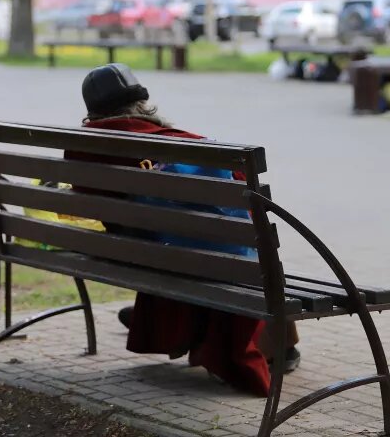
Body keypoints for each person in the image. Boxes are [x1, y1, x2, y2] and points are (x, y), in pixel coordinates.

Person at [68, 63, 300, 397]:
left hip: (136, 255)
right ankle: (281, 347)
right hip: (189, 260)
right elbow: (243, 195)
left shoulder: (81, 148)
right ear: (141, 103)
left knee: (185, 243)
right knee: (252, 255)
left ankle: (172, 324)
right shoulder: (177, 144)